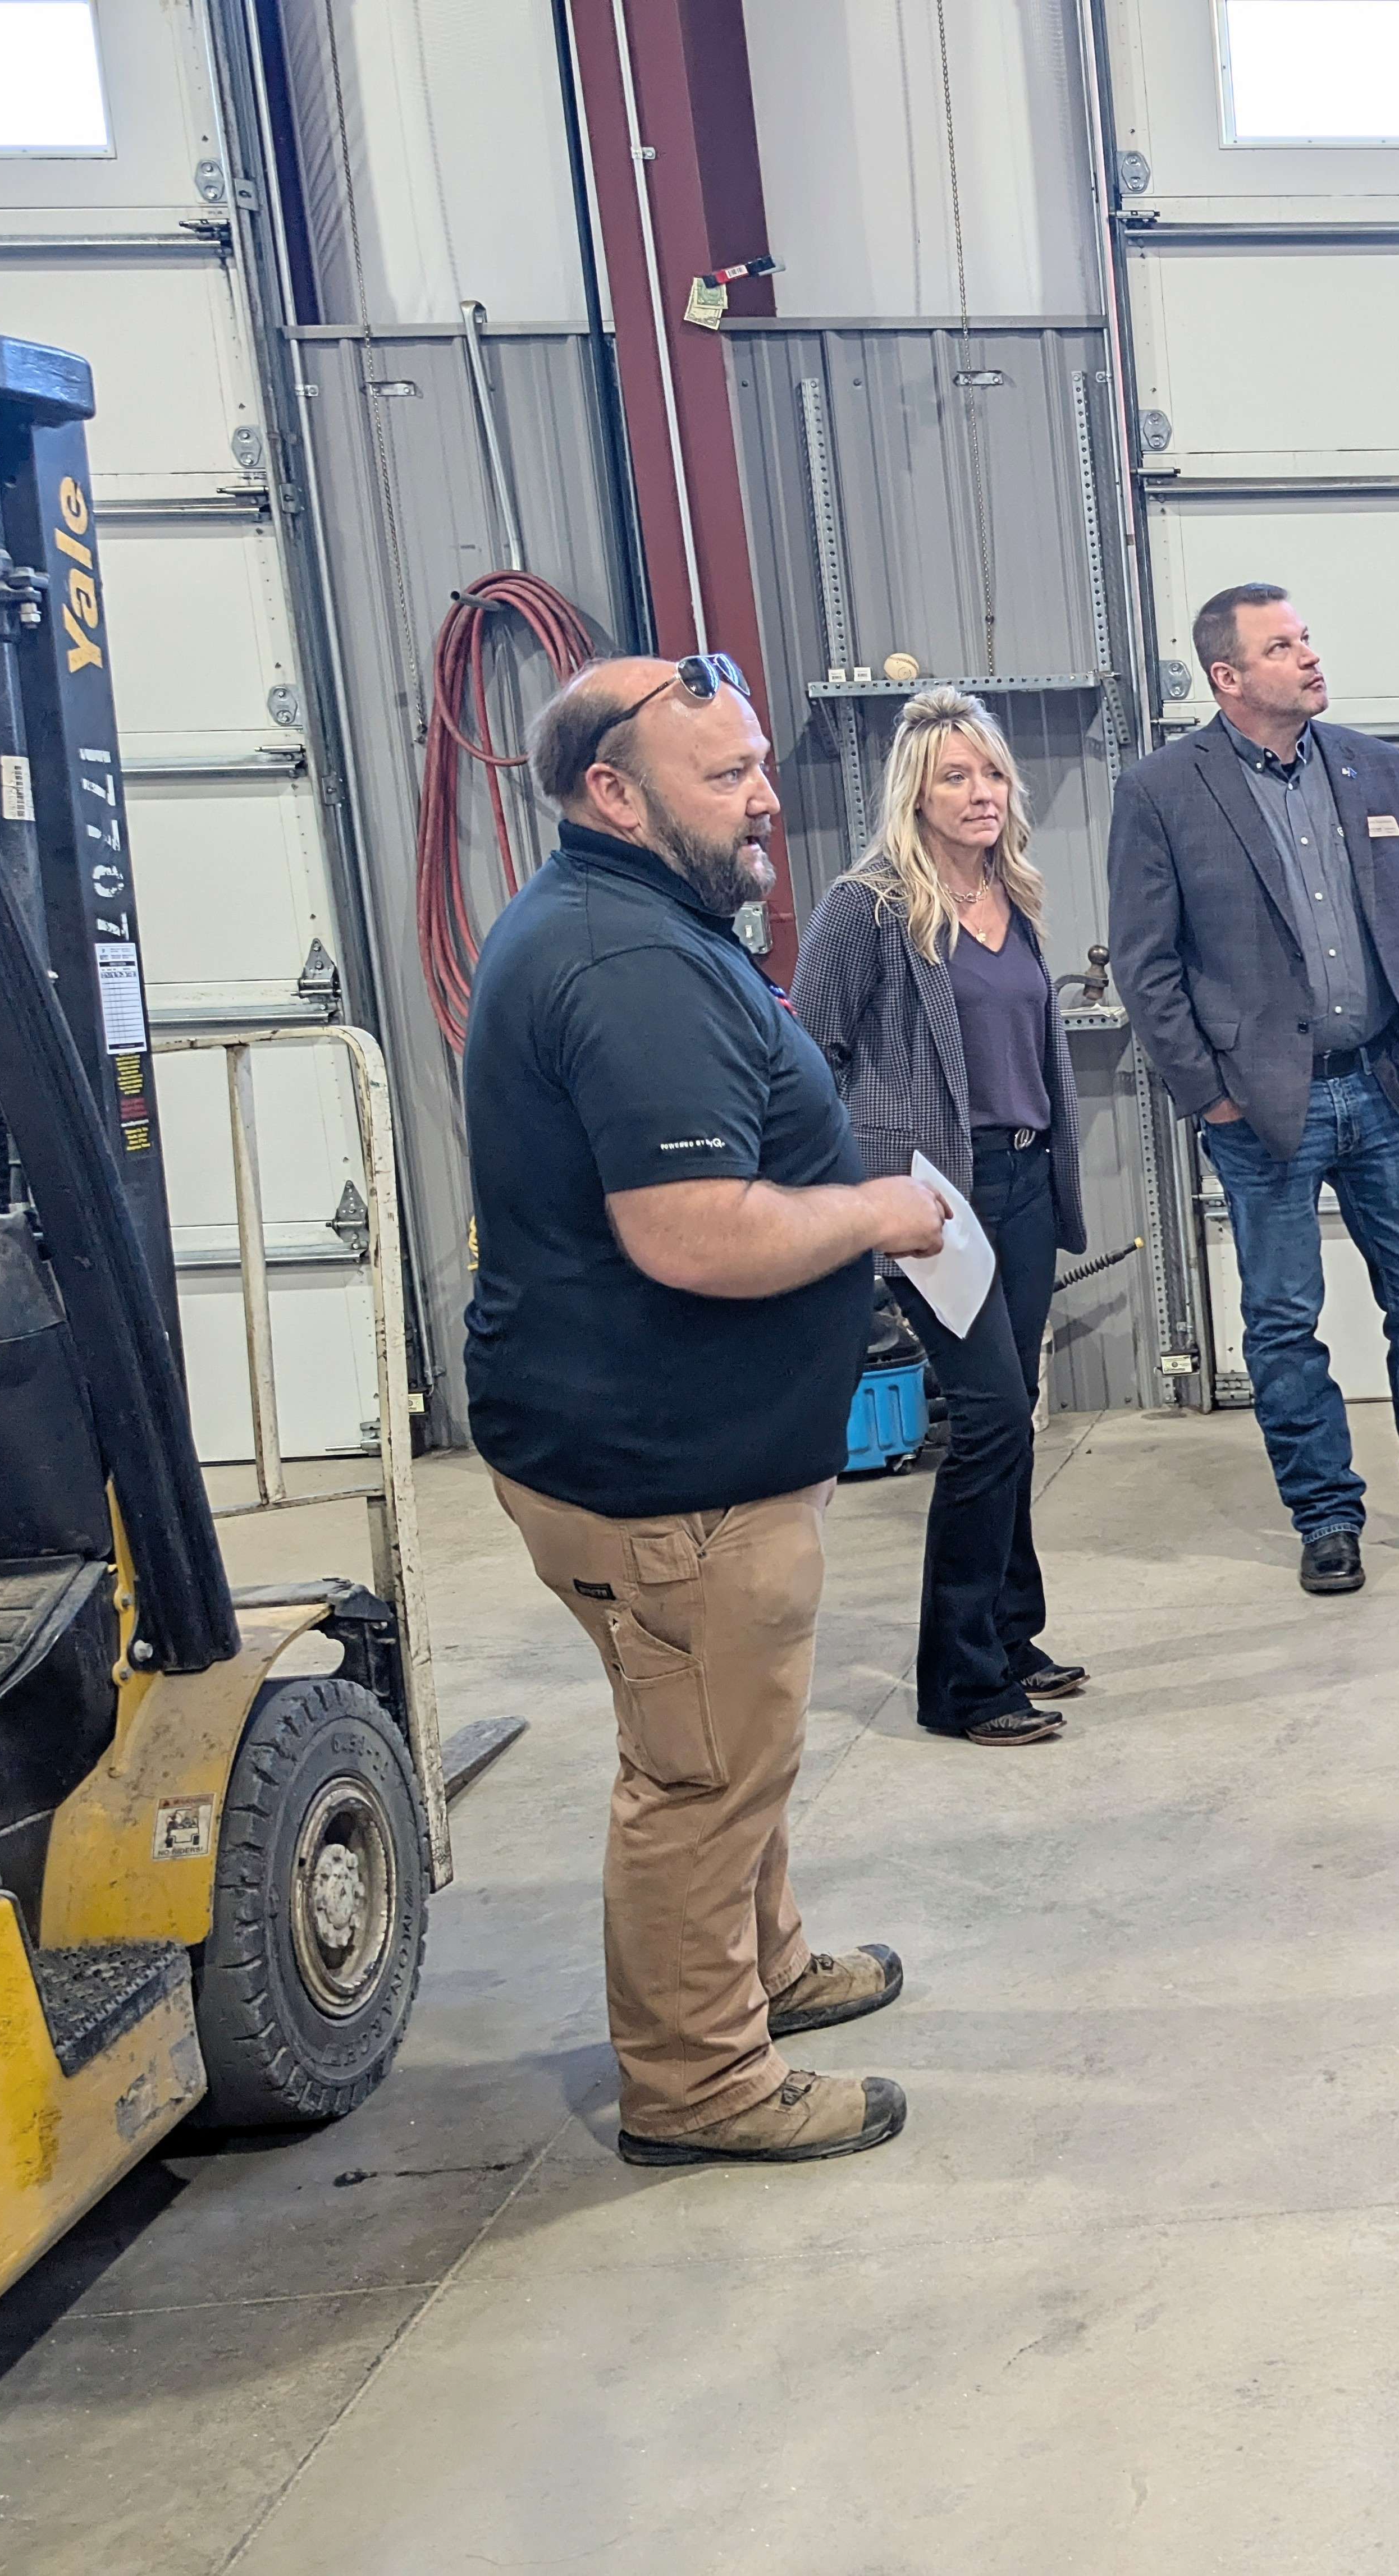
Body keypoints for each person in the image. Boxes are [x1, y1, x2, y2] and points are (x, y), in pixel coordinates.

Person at [467, 653, 944, 2167]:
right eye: (724, 774)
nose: (764, 802)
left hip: (682, 1448)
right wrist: (871, 1210)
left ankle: (767, 1966)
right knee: (700, 1769)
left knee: (736, 1735)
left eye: (759, 764)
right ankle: (700, 2079)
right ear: (609, 791)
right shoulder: (625, 959)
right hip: (662, 1472)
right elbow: (692, 1229)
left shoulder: (651, 921)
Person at [1107, 583, 1399, 1596]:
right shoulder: (1162, 793)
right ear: (1227, 677)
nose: (1309, 656)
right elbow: (1147, 968)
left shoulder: (1375, 767)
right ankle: (1325, 1516)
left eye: (1306, 637)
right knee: (1281, 1322)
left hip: (1386, 1091)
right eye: (1282, 646)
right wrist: (1210, 1096)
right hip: (1264, 1108)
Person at [790, 687, 1089, 1747]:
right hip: (935, 1202)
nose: (979, 794)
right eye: (955, 777)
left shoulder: (1012, 895)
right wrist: (859, 1196)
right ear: (912, 792)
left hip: (1017, 1184)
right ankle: (958, 1681)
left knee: (1015, 1418)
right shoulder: (869, 905)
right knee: (992, 1422)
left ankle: (1012, 1631)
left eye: (992, 775)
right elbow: (803, 1054)